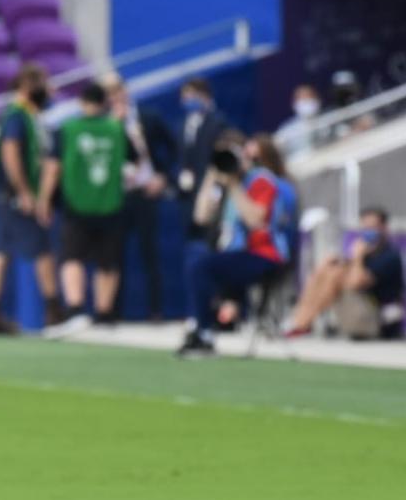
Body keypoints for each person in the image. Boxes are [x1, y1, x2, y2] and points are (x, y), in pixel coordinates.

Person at [177, 133, 296, 357]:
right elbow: (201, 216)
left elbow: (255, 220)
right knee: (196, 258)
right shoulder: (224, 181)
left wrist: (233, 184)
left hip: (265, 254)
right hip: (236, 251)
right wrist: (211, 176)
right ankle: (200, 326)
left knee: (202, 266)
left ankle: (205, 332)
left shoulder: (260, 180)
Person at [41, 81, 134, 336]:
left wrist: (44, 200)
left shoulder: (68, 129)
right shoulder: (116, 129)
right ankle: (104, 314)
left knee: (72, 258)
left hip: (76, 204)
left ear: (82, 102)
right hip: (110, 204)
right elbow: (135, 162)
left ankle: (75, 310)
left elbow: (53, 168)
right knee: (108, 262)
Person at [0, 63, 61, 334]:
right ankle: (54, 310)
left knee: (1, 250)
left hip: (4, 193)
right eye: (43, 85)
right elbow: (10, 152)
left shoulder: (25, 115)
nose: (49, 91)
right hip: (12, 194)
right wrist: (25, 192)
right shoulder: (17, 116)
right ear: (28, 86)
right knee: (41, 249)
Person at [102, 73, 177, 321]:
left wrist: (163, 176)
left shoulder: (149, 117)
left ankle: (155, 311)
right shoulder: (105, 124)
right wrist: (113, 125)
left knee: (149, 254)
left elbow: (173, 147)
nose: (116, 98)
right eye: (110, 94)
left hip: (145, 192)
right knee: (114, 255)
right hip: (118, 196)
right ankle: (112, 311)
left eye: (118, 92)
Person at [285, 207, 405, 340]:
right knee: (327, 269)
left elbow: (355, 283)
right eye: (365, 227)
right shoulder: (366, 254)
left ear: (384, 228)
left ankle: (302, 323)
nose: (368, 231)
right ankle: (299, 320)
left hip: (379, 321)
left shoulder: (390, 256)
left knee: (335, 275)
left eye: (373, 227)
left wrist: (358, 257)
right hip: (360, 314)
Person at [174, 77, 230, 246]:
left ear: (203, 95)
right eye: (184, 96)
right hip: (188, 195)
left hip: (210, 189)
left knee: (210, 237)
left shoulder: (217, 122)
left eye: (190, 95)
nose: (186, 100)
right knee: (192, 242)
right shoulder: (183, 124)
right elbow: (180, 156)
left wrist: (215, 188)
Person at [275, 84, 322, 157]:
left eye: (309, 98)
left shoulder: (329, 120)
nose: (306, 102)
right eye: (302, 99)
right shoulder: (287, 130)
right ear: (295, 103)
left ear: (317, 100)